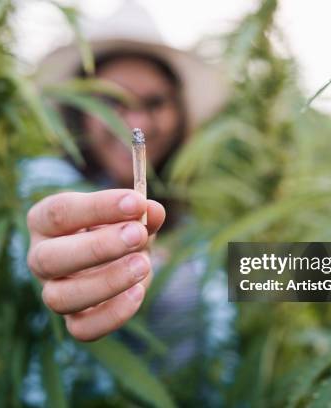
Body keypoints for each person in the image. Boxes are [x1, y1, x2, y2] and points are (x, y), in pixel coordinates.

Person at [18, 3, 235, 402]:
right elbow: (43, 232)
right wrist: (59, 258)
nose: (137, 123)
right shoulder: (47, 181)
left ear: (179, 110)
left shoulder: (190, 215)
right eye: (112, 102)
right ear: (80, 113)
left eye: (154, 103)